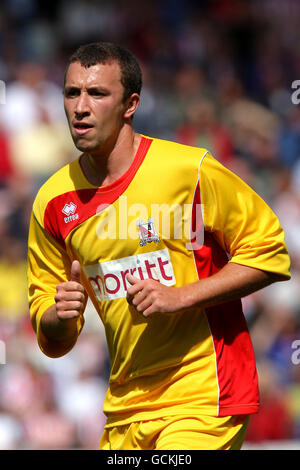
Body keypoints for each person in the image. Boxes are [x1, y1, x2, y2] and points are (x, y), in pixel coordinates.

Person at [27, 42, 291, 450]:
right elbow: (53, 337)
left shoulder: (190, 170)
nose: (80, 107)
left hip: (204, 395)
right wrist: (60, 317)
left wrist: (181, 296)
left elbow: (269, 254)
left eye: (97, 94)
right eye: (71, 92)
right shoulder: (52, 201)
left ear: (130, 104)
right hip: (125, 409)